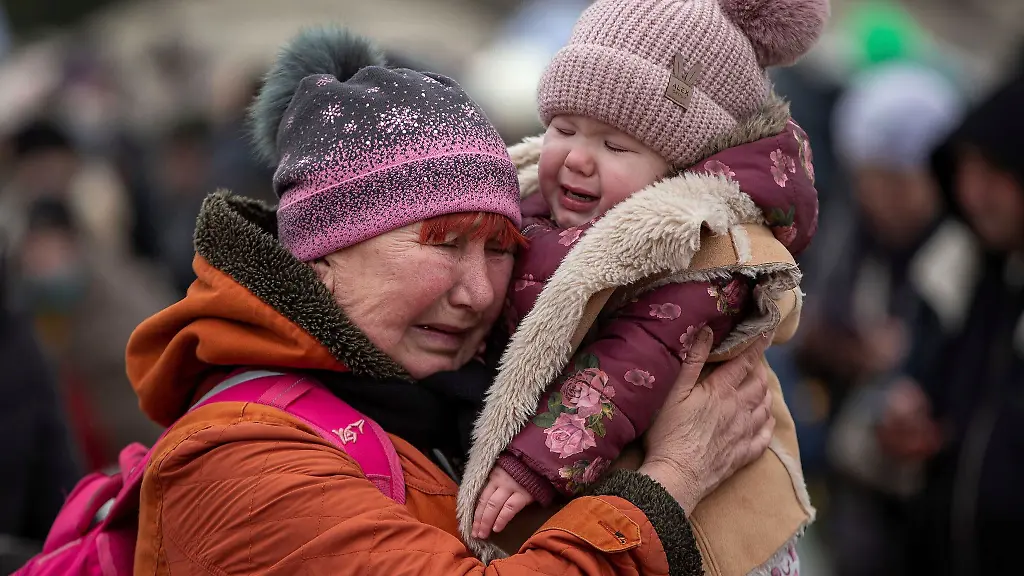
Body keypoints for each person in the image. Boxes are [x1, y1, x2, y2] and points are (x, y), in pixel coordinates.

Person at [125, 27, 775, 575]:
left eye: (500, 249)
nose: (479, 292)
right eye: (443, 244)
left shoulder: (451, 403)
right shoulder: (240, 459)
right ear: (323, 258)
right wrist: (672, 481)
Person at [459, 0, 826, 572]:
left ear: (678, 169)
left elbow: (635, 359)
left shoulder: (700, 250)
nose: (578, 158)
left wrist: (538, 462)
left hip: (705, 526)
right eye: (564, 129)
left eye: (615, 146)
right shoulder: (532, 203)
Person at [880, 68, 1024, 576]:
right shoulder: (957, 274)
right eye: (967, 169)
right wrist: (902, 416)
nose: (976, 193)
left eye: (996, 172)